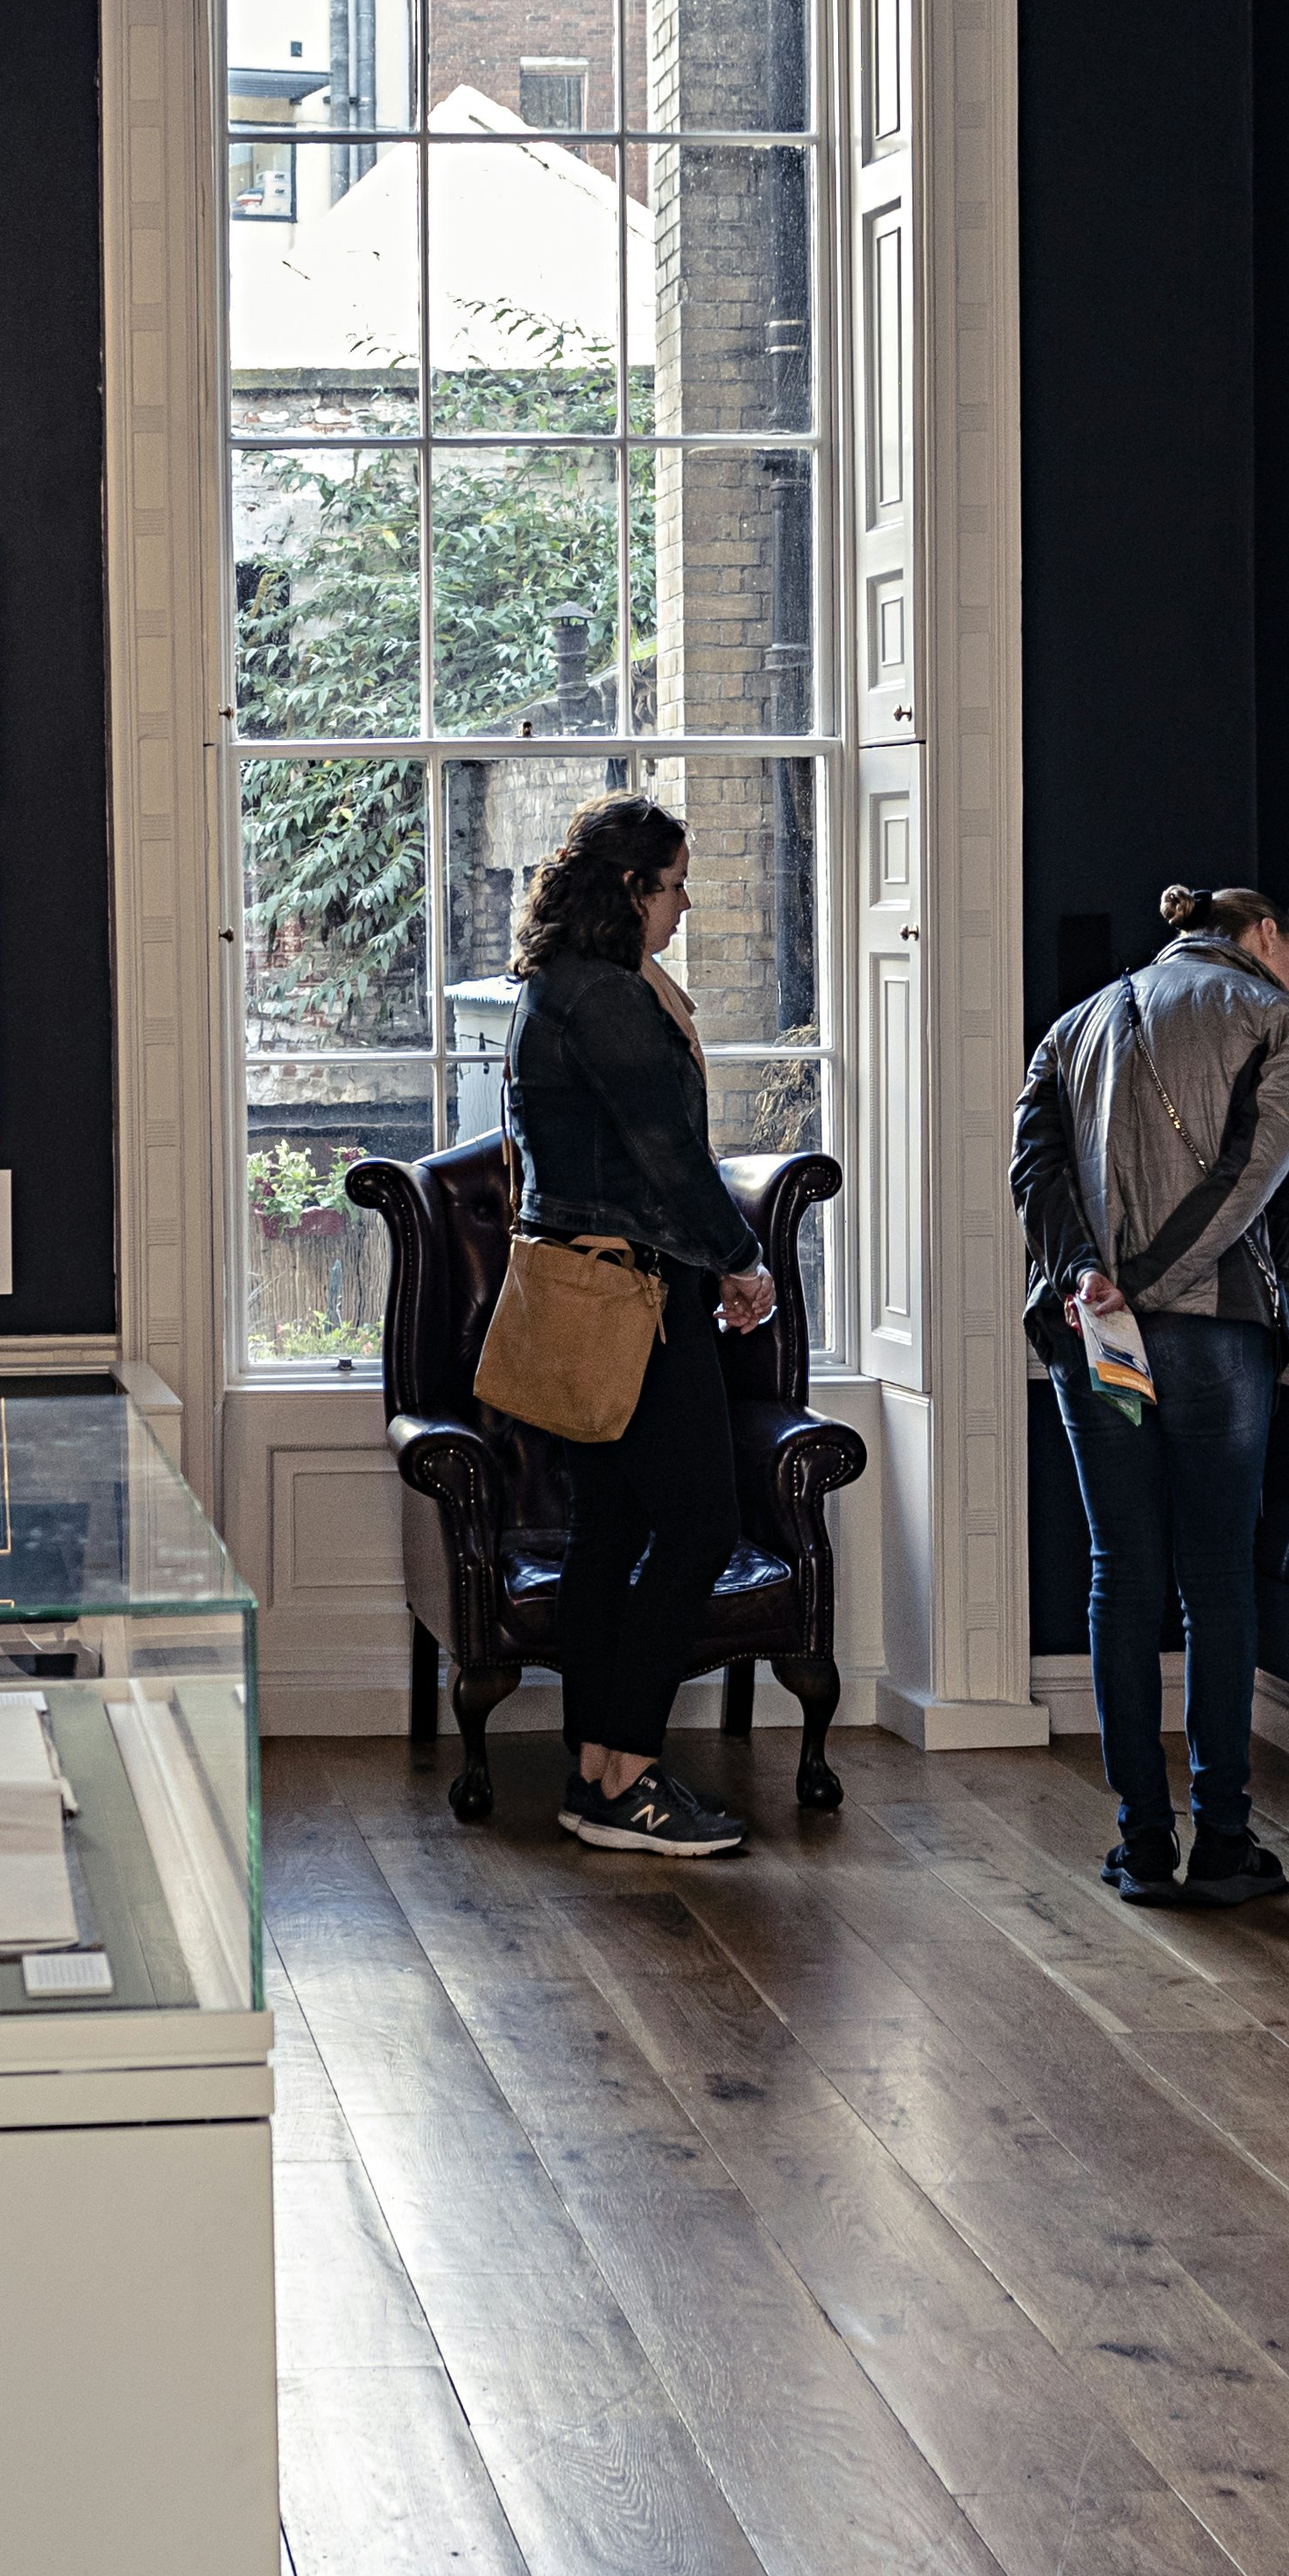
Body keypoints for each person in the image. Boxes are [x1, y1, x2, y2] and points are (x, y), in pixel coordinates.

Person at [1011, 884, 1289, 1904]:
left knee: (1120, 1574)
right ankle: (1223, 1838)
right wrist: (1143, 1280)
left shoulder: (1073, 1021)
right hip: (1213, 1328)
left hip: (1090, 1325)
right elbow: (1249, 1177)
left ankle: (1141, 1842)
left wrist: (1085, 1279)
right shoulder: (1278, 1017)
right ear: (1264, 935)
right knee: (1217, 1579)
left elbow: (1034, 1167)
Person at [502, 794, 781, 1859]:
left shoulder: (550, 988)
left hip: (580, 1287)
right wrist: (741, 1259)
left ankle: (593, 1771)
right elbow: (668, 1154)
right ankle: (626, 1769)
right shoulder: (611, 1000)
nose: (684, 901)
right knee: (699, 1524)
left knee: (607, 1529)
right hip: (636, 1293)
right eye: (672, 882)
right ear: (628, 887)